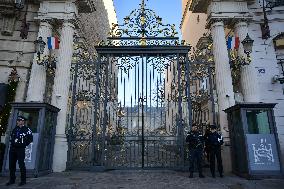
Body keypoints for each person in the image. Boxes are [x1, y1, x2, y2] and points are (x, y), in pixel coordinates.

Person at [6, 116, 33, 186]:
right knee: (11, 165)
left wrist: (23, 144)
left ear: (23, 121)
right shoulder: (15, 129)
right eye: (18, 120)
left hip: (20, 149)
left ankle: (23, 180)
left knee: (21, 165)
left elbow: (30, 139)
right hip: (13, 148)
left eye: (20, 120)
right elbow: (12, 137)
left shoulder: (27, 129)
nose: (18, 121)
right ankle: (12, 180)